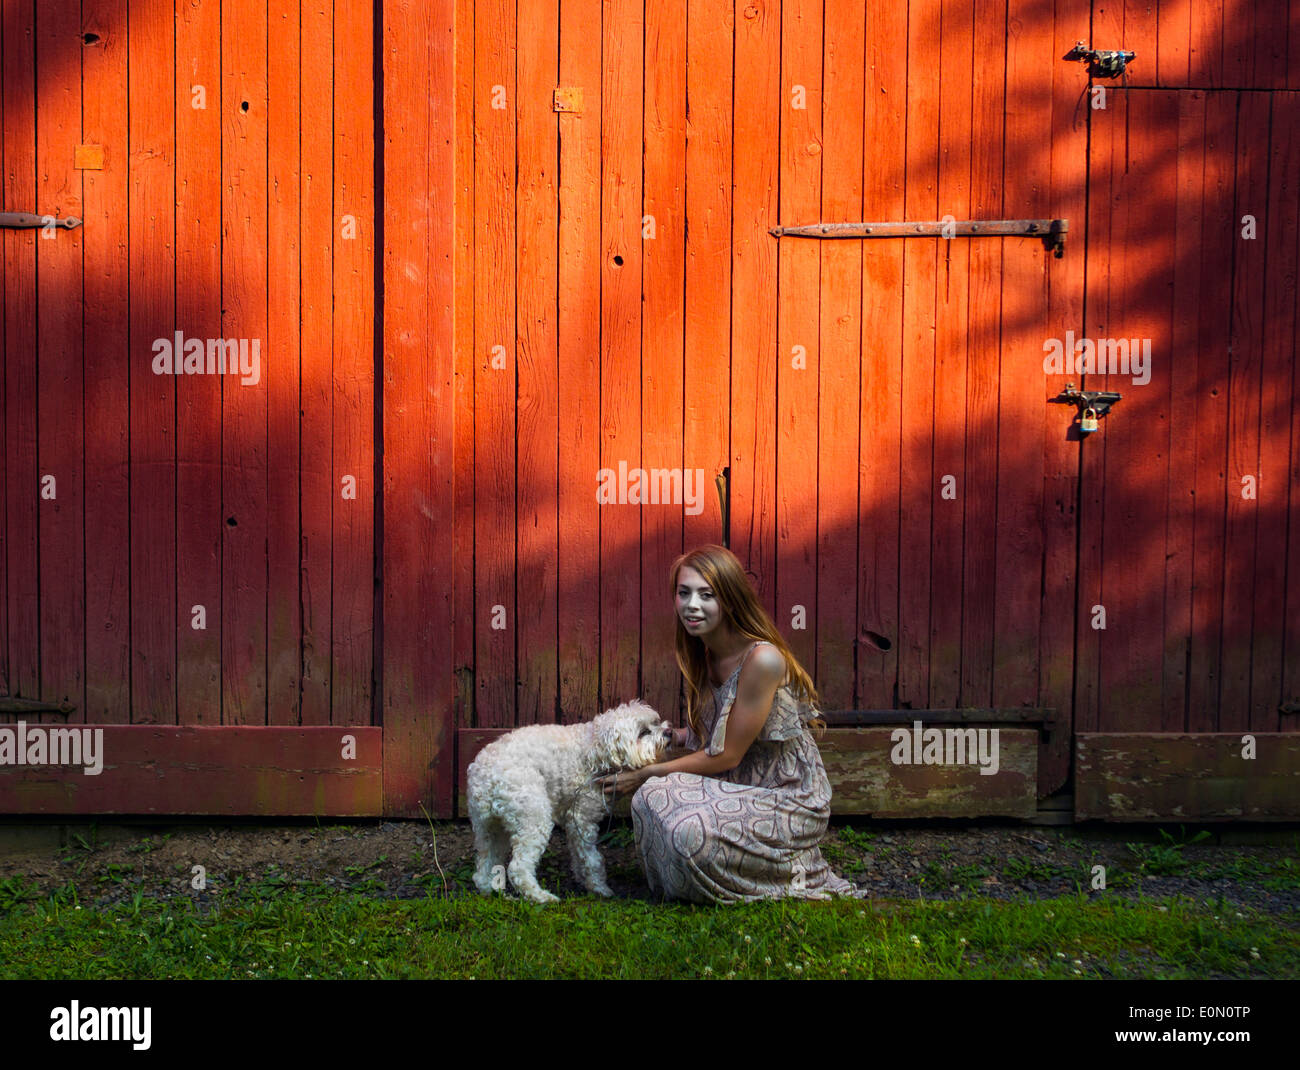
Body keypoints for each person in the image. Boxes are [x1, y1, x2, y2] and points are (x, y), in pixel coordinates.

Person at [596, 544, 867, 903]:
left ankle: (793, 869)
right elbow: (719, 728)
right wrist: (670, 737)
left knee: (685, 828)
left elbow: (726, 756)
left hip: (785, 795)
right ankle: (689, 883)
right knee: (648, 800)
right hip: (737, 785)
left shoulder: (762, 659)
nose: (692, 605)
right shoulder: (707, 654)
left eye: (707, 595)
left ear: (731, 598)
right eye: (684, 593)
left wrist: (646, 772)